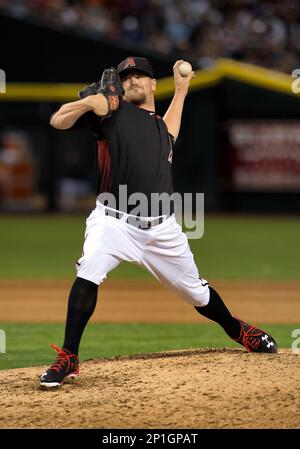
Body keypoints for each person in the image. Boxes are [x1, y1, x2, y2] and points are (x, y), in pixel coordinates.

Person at [40, 56, 277, 388]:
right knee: (89, 269)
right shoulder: (110, 112)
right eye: (127, 77)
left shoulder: (159, 128)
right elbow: (57, 121)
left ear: (153, 84)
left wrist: (181, 90)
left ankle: (238, 329)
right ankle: (69, 356)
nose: (133, 80)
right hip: (113, 223)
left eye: (140, 76)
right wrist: (90, 102)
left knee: (197, 293)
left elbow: (171, 132)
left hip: (162, 228)